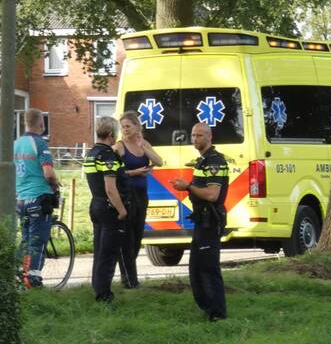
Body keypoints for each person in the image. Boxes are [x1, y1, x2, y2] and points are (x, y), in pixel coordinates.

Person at [171, 123, 229, 321]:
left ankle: (217, 313)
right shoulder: (203, 160)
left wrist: (187, 186)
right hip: (201, 219)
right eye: (193, 135)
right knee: (196, 267)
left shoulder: (215, 161)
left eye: (199, 135)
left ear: (210, 137)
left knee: (208, 267)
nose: (195, 139)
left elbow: (212, 195)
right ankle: (207, 308)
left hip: (210, 219)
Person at [114, 110, 163, 288]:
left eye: (128, 126)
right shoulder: (119, 146)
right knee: (127, 237)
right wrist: (133, 172)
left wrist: (144, 148)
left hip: (142, 196)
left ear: (137, 126)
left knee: (137, 237)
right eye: (122, 127)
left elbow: (159, 162)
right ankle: (128, 279)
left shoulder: (144, 144)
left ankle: (129, 275)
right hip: (126, 196)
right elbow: (113, 172)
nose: (125, 130)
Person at [84, 116, 131, 303]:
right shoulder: (108, 156)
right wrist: (122, 210)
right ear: (111, 134)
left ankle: (97, 289)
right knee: (108, 253)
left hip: (95, 204)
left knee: (99, 250)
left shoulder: (91, 153)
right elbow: (110, 188)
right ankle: (104, 296)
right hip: (109, 207)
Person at [14, 108, 60, 288]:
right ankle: (33, 279)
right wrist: (55, 183)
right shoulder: (40, 144)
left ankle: (19, 276)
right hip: (39, 197)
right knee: (38, 240)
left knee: (25, 240)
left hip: (21, 199)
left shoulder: (16, 143)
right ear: (41, 124)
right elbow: (48, 173)